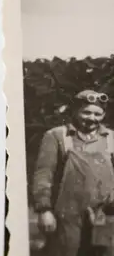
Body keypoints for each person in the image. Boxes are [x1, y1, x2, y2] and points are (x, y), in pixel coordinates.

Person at [33, 89, 114, 256]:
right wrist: (44, 210)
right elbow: (43, 175)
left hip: (105, 215)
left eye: (97, 114)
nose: (92, 119)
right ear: (75, 110)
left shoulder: (111, 138)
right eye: (86, 112)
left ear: (104, 115)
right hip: (67, 216)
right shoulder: (58, 136)